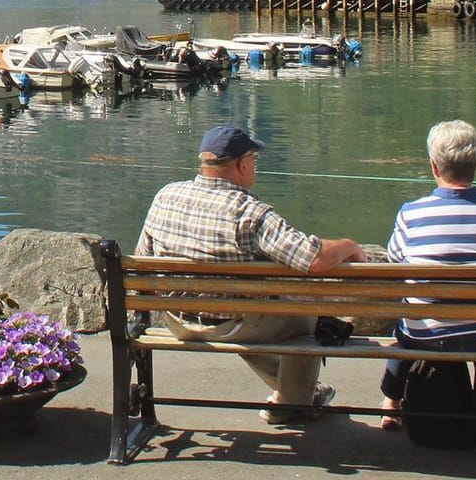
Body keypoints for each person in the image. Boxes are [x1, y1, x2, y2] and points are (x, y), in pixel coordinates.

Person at [136, 125, 364, 425]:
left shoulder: (165, 196)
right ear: (242, 164)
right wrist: (349, 245)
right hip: (235, 325)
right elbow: (313, 259)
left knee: (257, 314)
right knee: (304, 317)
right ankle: (293, 402)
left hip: (177, 322)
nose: (255, 165)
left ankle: (295, 392)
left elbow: (141, 260)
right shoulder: (251, 213)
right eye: (254, 159)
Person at [377, 120, 476, 428]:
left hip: (425, 336)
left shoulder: (411, 213)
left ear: (434, 166)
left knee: (407, 315)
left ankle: (391, 402)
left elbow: (395, 262)